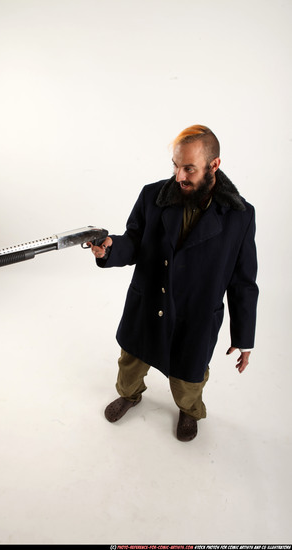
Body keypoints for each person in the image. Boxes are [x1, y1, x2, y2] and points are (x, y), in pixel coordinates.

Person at [88, 125, 258, 442]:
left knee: (189, 379)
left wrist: (244, 336)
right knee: (130, 364)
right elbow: (135, 242)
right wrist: (110, 247)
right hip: (148, 305)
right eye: (176, 165)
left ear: (214, 165)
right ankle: (130, 395)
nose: (179, 176)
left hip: (195, 318)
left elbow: (243, 281)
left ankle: (190, 411)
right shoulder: (153, 196)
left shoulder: (240, 216)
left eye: (189, 168)